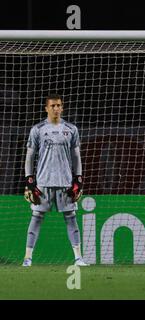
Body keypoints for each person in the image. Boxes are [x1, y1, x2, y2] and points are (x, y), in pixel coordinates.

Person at [22, 94, 88, 267]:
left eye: (59, 105)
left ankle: (78, 258)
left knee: (71, 219)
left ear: (62, 107)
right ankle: (27, 258)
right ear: (46, 108)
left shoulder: (71, 129)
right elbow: (30, 156)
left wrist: (78, 180)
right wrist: (30, 181)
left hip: (65, 181)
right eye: (52, 106)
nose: (56, 108)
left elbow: (76, 156)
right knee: (36, 218)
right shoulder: (38, 129)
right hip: (43, 181)